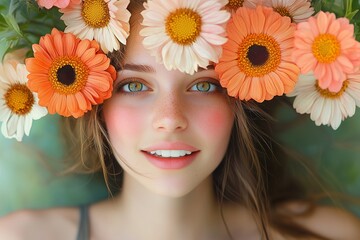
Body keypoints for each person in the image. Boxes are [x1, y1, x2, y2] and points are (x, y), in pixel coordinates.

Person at [0, 0, 360, 239]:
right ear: (92, 103)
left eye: (203, 85)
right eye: (135, 85)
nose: (170, 119)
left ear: (242, 101)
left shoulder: (329, 236)